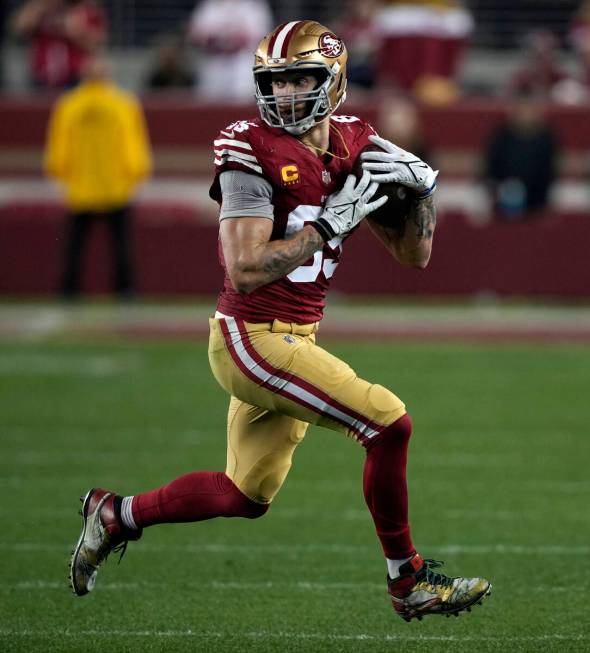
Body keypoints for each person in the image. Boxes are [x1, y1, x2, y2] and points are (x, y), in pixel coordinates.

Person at [69, 21, 491, 622]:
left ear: (335, 80)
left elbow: (413, 255)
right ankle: (409, 581)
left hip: (295, 335)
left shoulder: (351, 142)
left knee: (244, 495)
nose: (289, 94)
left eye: (302, 79)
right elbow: (243, 269)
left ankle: (116, 514)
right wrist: (325, 226)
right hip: (252, 337)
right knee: (388, 424)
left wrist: (419, 191)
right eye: (277, 81)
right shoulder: (249, 148)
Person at [44, 52, 152, 298]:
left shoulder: (72, 104)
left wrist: (59, 172)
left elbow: (59, 145)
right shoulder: (121, 102)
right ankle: (123, 290)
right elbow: (134, 143)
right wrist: (136, 172)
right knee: (114, 242)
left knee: (82, 243)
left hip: (89, 184)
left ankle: (73, 290)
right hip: (111, 185)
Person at [484, 92, 558, 219]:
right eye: (522, 109)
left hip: (538, 195)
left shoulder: (546, 138)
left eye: (530, 109)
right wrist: (500, 188)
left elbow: (550, 169)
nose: (526, 114)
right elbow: (491, 166)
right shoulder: (501, 136)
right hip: (504, 192)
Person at [10, 0, 107, 89]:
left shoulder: (85, 9)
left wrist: (73, 29)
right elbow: (19, 28)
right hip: (41, 77)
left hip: (73, 77)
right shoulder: (39, 9)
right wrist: (39, 8)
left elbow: (98, 43)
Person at [187, 0, 272, 101]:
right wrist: (215, 40)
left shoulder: (253, 5)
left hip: (243, 63)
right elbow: (195, 35)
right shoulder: (209, 6)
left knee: (243, 100)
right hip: (214, 62)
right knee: (209, 103)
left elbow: (263, 37)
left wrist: (237, 40)